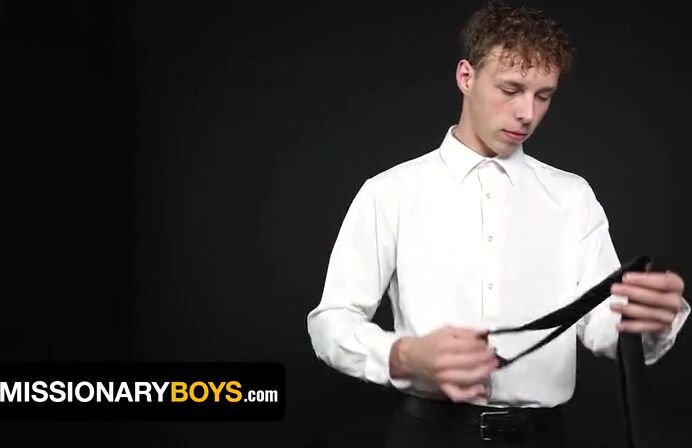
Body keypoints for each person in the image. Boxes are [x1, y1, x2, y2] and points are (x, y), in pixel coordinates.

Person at [306, 2, 689, 447]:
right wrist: (402, 354)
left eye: (543, 96)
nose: (527, 113)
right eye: (511, 89)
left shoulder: (572, 197)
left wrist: (646, 321)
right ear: (466, 77)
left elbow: (601, 327)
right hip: (427, 436)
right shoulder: (389, 192)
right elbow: (331, 323)